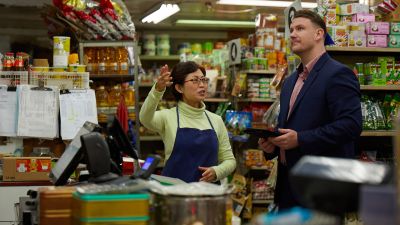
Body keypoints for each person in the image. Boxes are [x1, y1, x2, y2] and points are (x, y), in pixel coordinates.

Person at [258, 10, 362, 210]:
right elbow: (288, 128)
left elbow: (351, 125)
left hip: (322, 187)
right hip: (289, 185)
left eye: (300, 28)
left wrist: (300, 139)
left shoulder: (338, 74)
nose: (293, 34)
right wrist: (273, 145)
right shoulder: (289, 82)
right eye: (291, 30)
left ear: (319, 34)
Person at [139, 61, 236, 183]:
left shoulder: (215, 120)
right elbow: (144, 118)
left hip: (207, 195)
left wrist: (217, 171)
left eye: (203, 79)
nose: (202, 85)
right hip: (174, 194)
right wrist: (157, 90)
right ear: (179, 88)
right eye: (195, 80)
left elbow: (229, 160)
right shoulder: (168, 117)